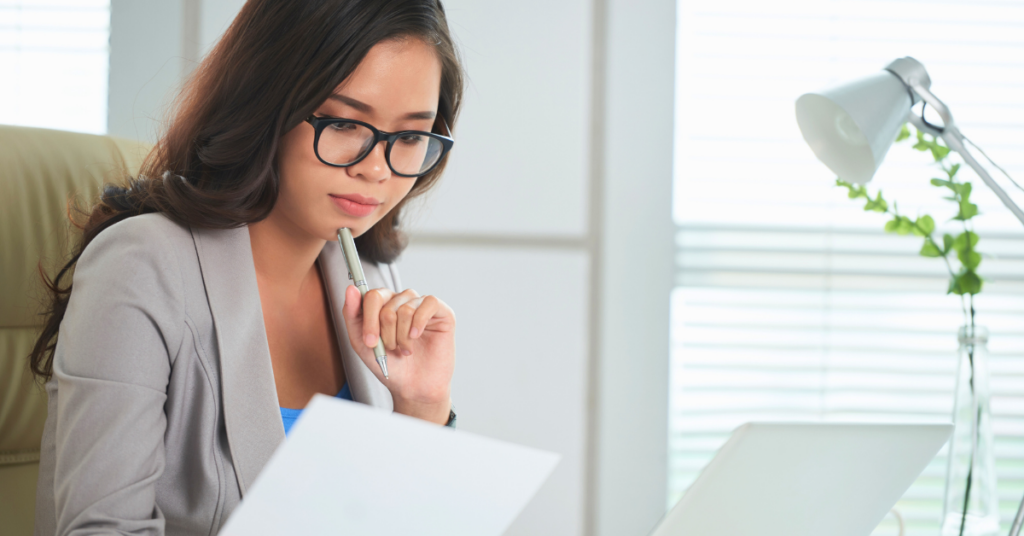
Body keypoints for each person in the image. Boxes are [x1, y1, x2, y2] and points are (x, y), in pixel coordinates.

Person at [27, 1, 463, 534]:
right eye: (347, 123)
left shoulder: (370, 275)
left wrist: (422, 407)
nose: (376, 169)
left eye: (412, 137)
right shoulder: (142, 266)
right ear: (269, 105)